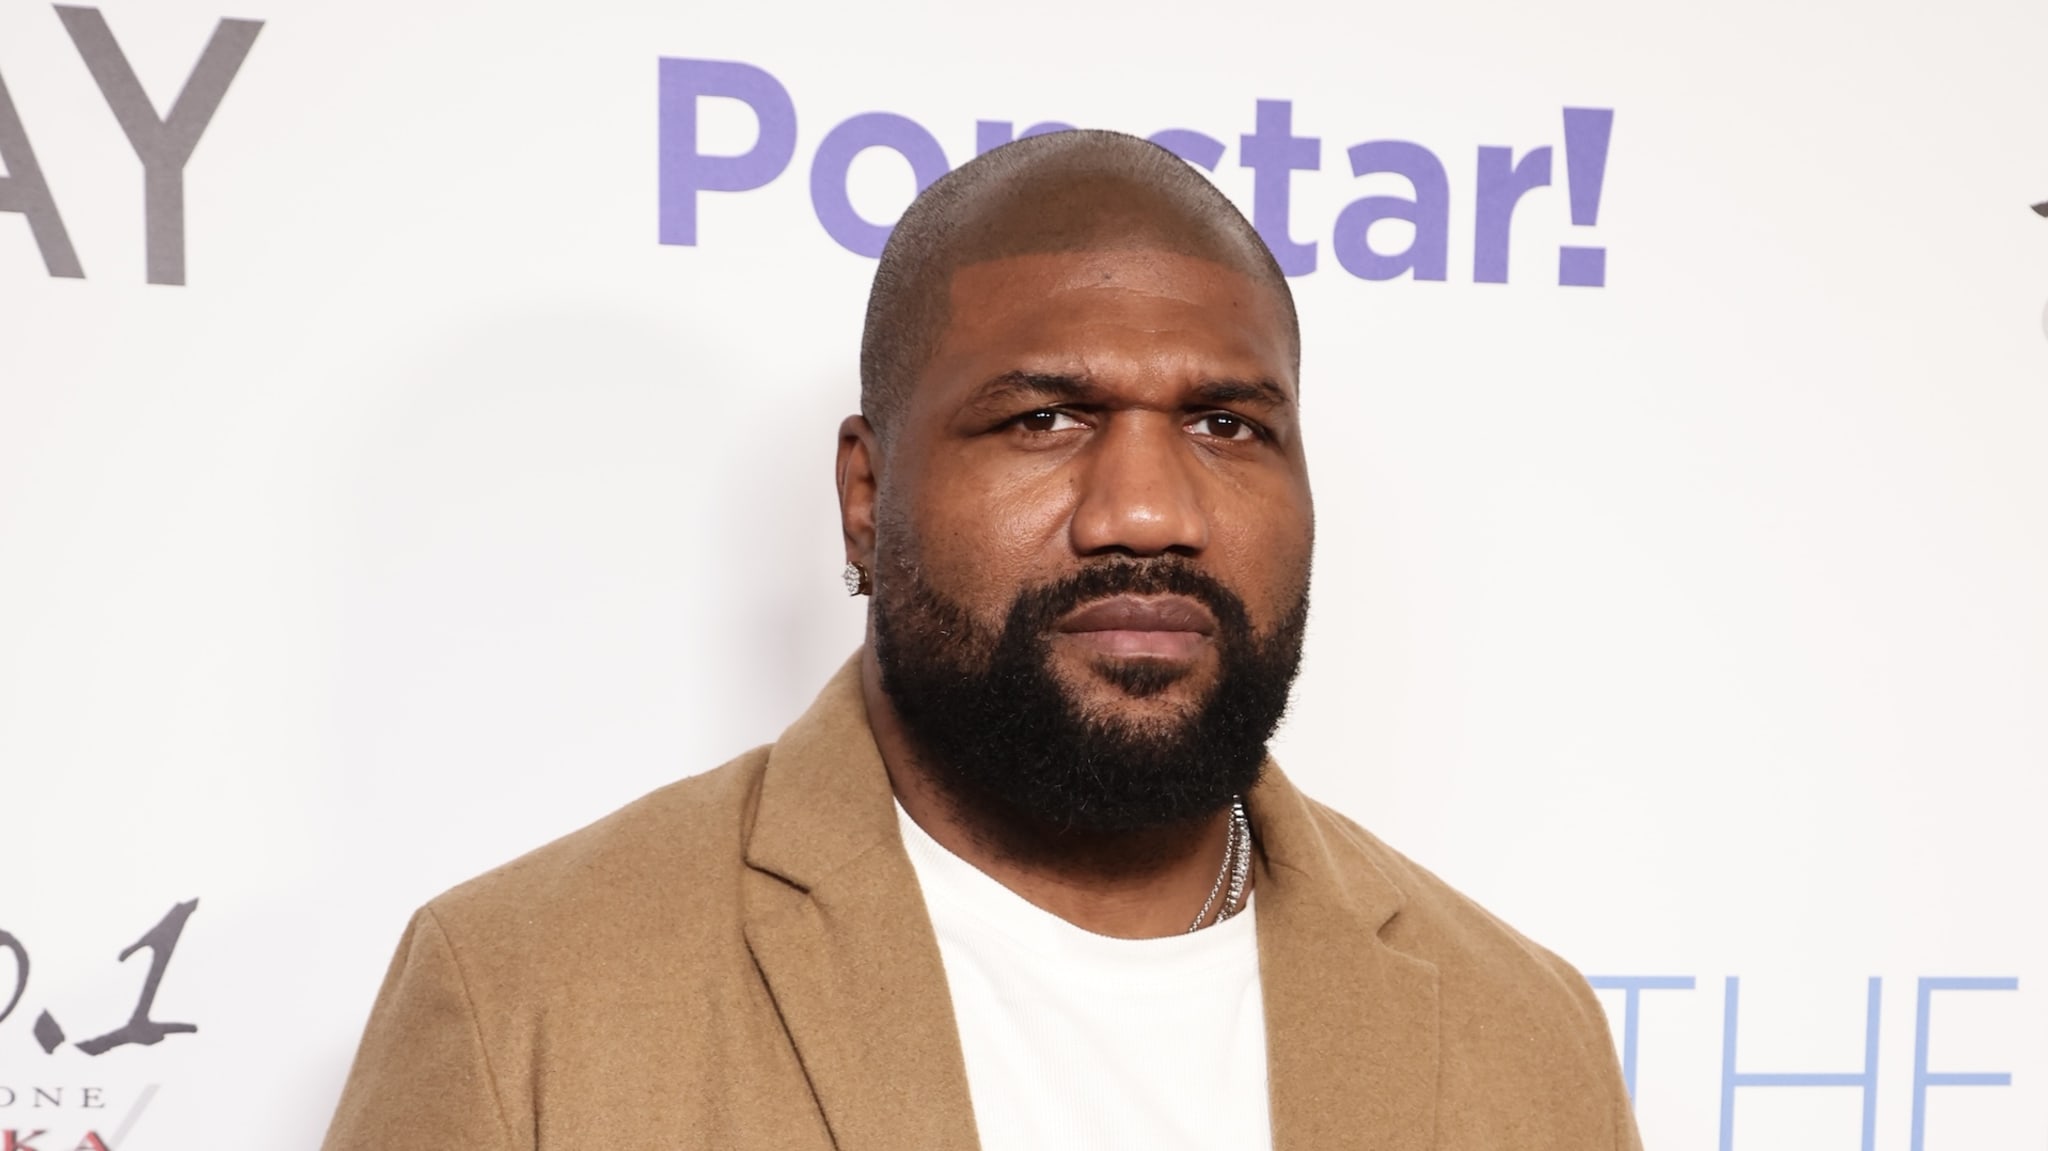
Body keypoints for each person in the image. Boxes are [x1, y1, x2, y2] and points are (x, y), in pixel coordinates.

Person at [321, 129, 1641, 1151]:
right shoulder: (527, 999)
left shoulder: (1521, 1035)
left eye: (1229, 427)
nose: (1147, 510)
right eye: (1044, 419)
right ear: (864, 495)